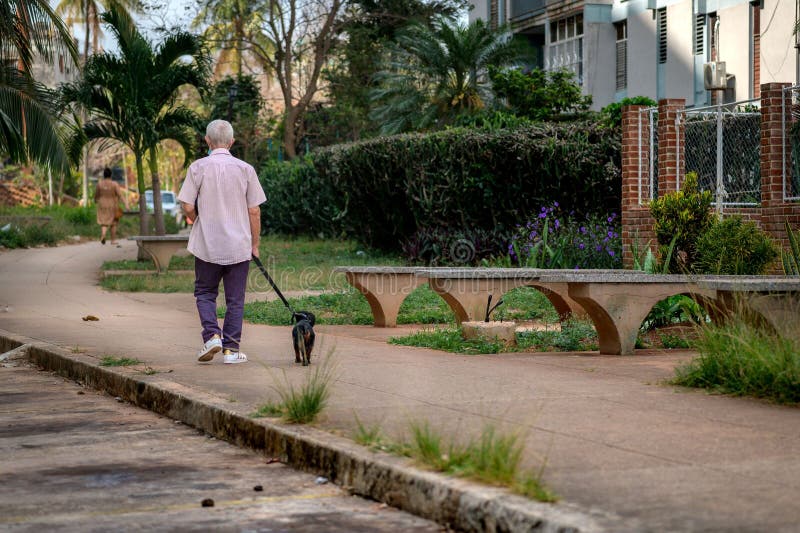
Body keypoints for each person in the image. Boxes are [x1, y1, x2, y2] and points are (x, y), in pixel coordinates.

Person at [178, 120, 266, 365]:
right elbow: (254, 211)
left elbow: (186, 205)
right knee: (235, 299)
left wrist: (200, 221)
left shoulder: (198, 167)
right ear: (231, 142)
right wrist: (254, 244)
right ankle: (231, 350)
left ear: (207, 141)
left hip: (207, 245)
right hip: (239, 246)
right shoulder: (245, 169)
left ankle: (211, 335)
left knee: (205, 293)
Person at [94, 167, 122, 245]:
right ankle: (113, 240)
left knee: (104, 222)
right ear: (111, 175)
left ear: (104, 175)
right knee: (113, 223)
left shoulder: (99, 184)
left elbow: (96, 195)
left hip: (102, 204)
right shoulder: (114, 184)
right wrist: (126, 204)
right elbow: (120, 195)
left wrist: (95, 200)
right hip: (112, 205)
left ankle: (103, 235)